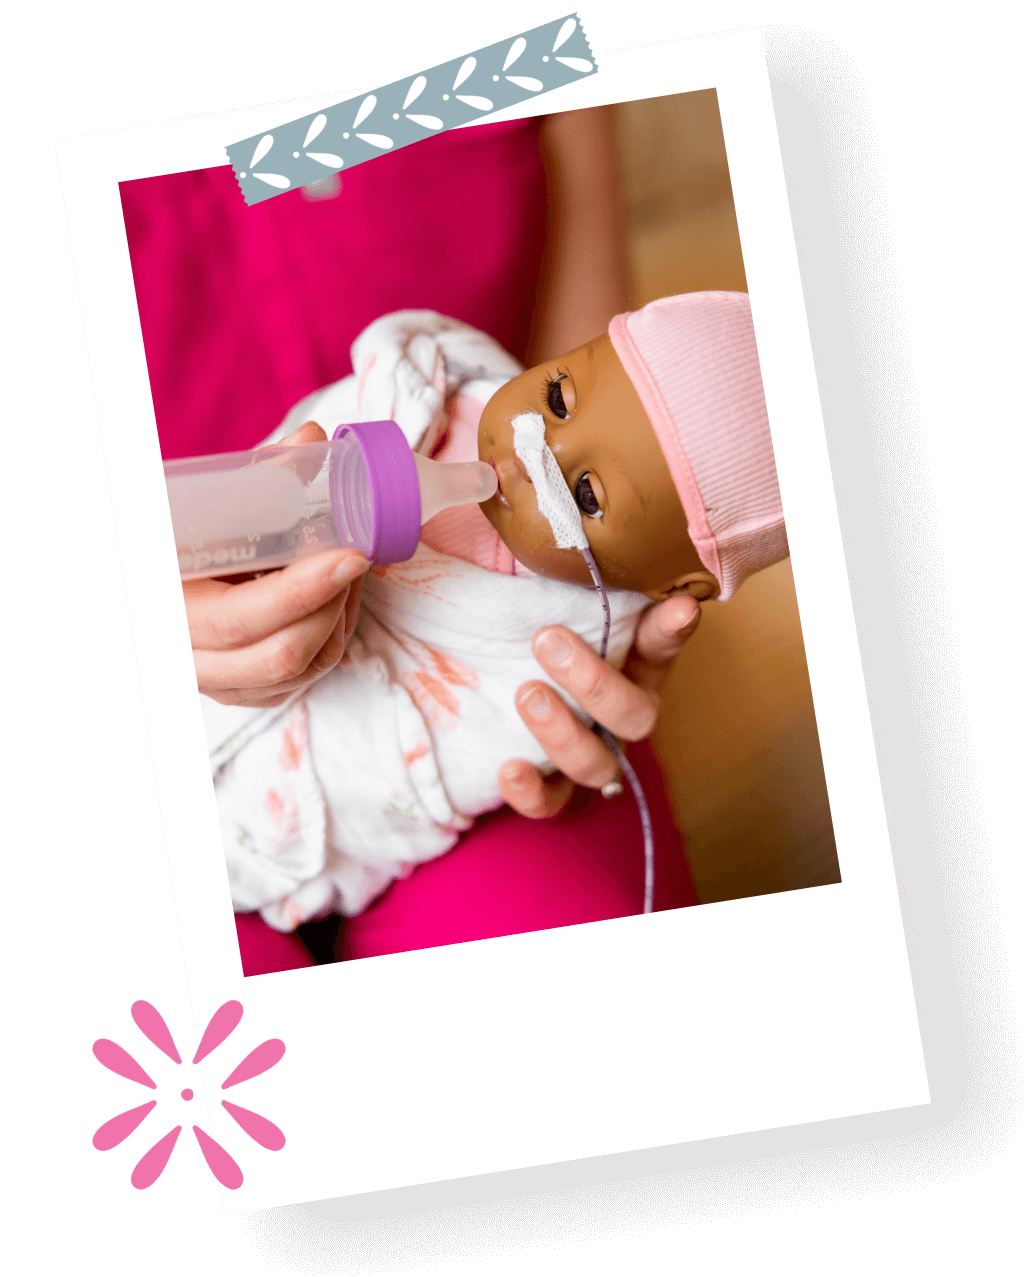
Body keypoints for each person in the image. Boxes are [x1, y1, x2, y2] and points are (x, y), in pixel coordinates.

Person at [122, 109, 706, 970]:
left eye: (574, 479)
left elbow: (625, 404)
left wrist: (618, 604)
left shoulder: (529, 64)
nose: (537, 457)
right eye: (551, 418)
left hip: (499, 739)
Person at [198, 294, 788, 936]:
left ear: (671, 582)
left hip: (275, 827)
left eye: (586, 494)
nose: (530, 454)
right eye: (559, 399)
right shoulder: (427, 380)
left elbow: (457, 758)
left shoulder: (553, 650)